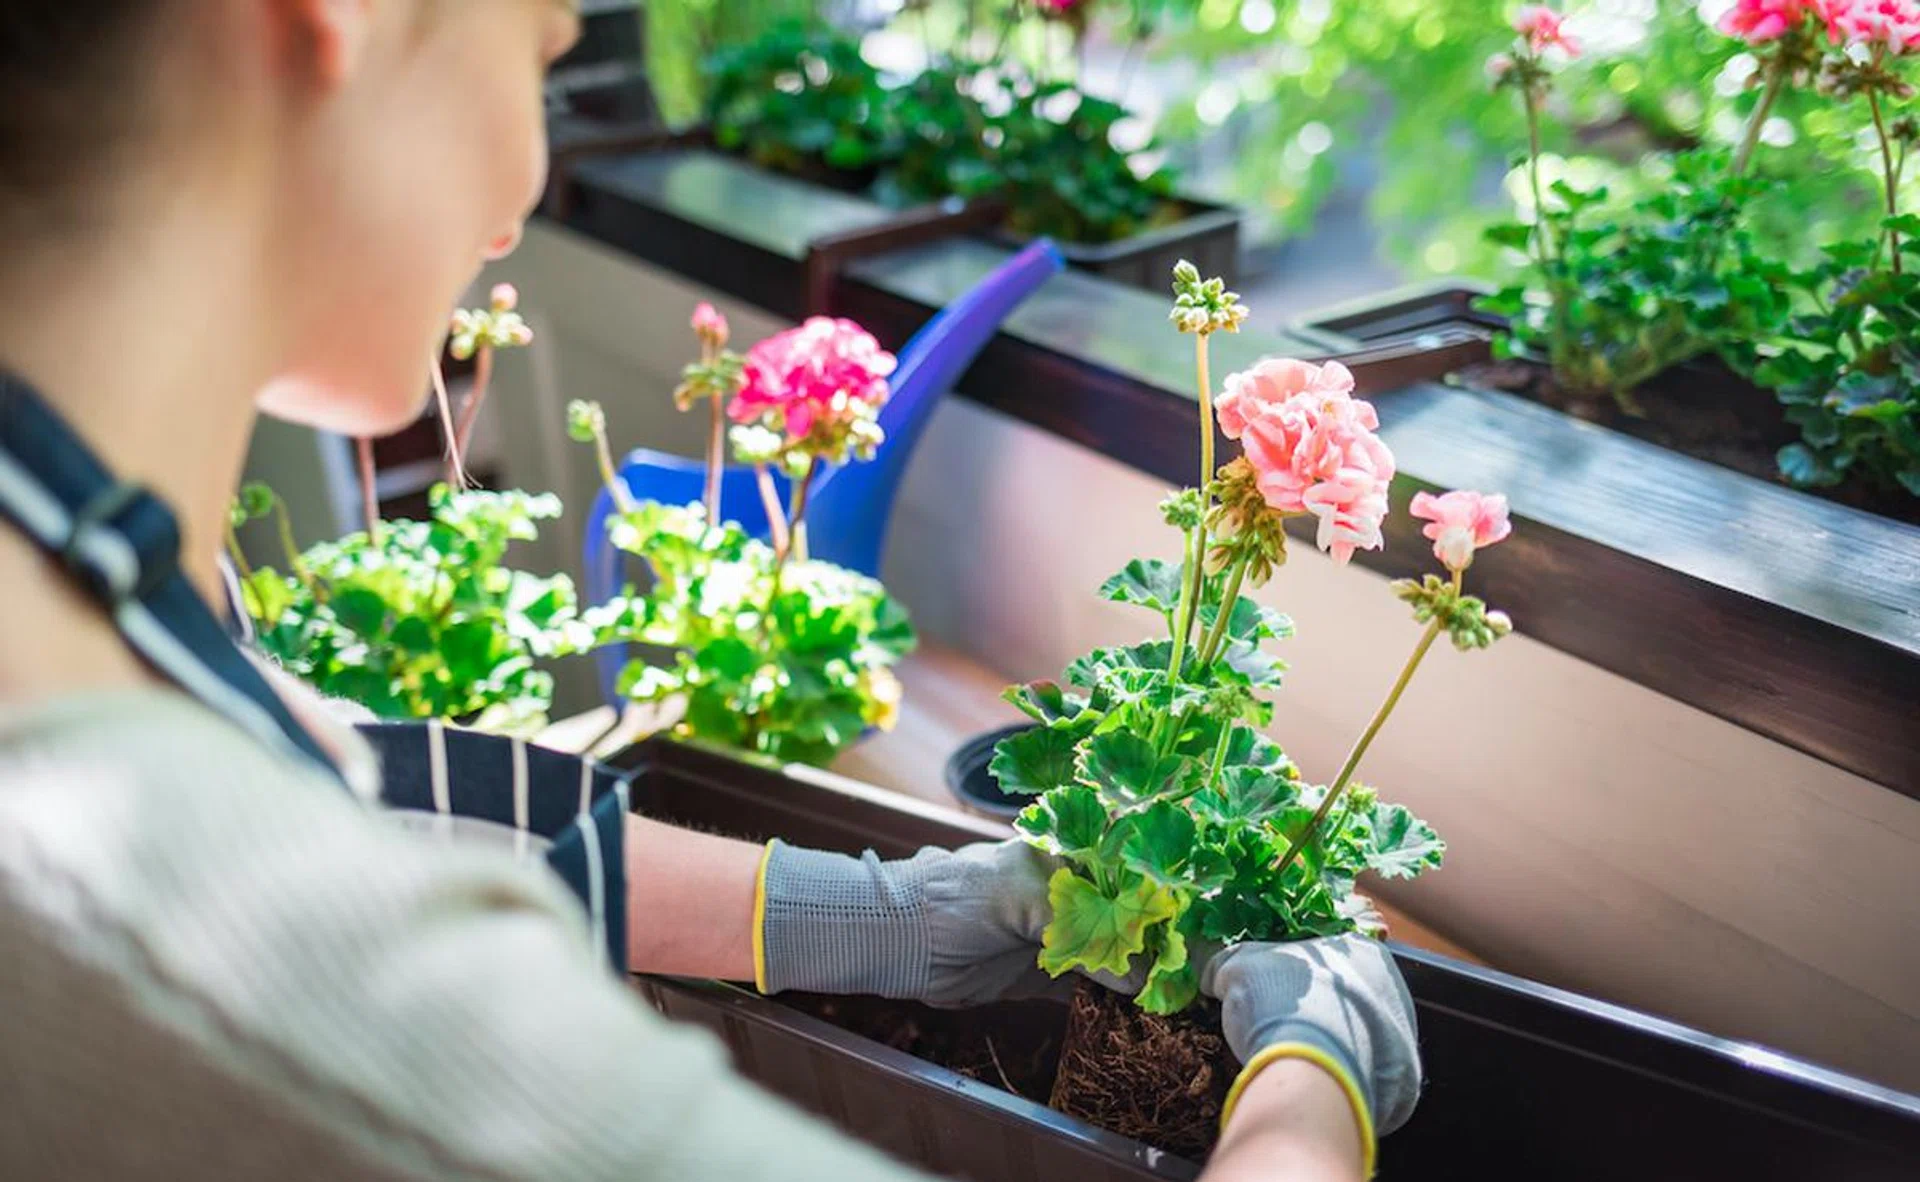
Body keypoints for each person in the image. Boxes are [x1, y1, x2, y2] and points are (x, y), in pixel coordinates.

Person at [0, 3, 1422, 1180]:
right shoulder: (210, 962)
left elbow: (347, 791)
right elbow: (298, 906)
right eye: (545, 50)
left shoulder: (81, 573)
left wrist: (867, 911)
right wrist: (1311, 1089)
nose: (528, 178)